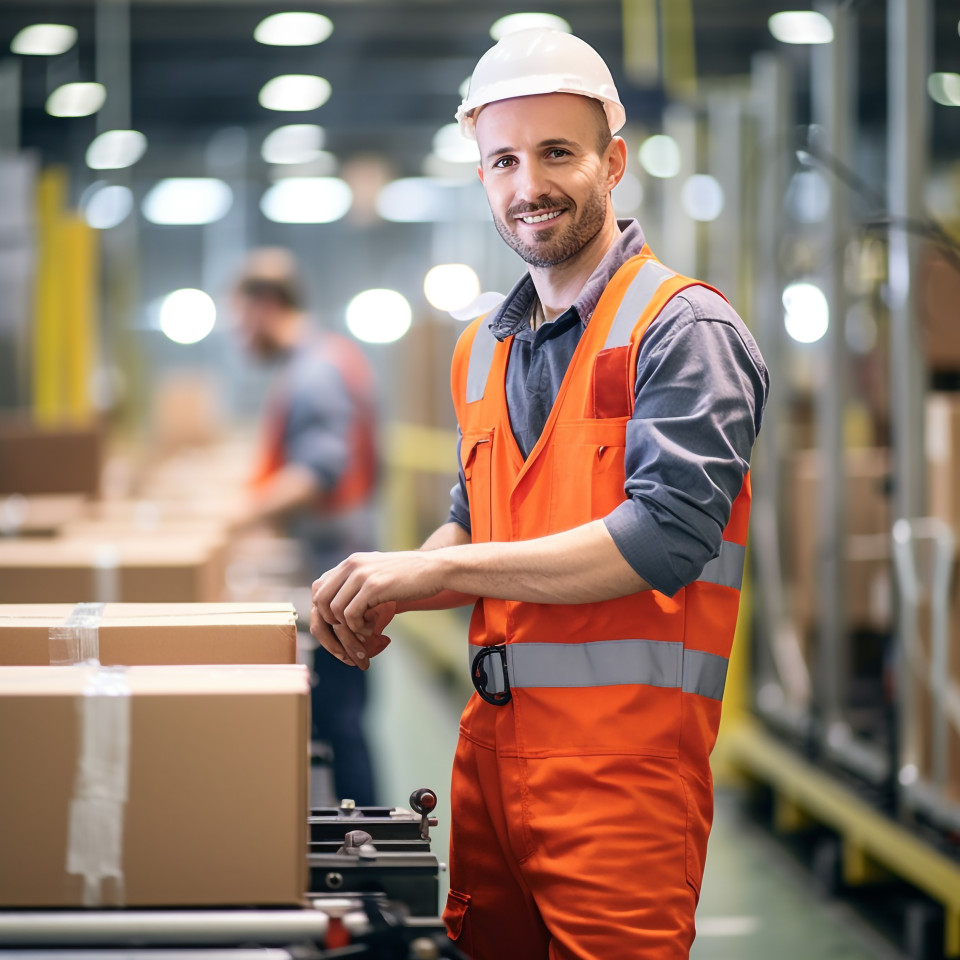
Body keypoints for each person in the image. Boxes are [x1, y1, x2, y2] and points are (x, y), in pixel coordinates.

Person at [310, 28, 769, 960]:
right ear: (480, 175)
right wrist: (381, 585)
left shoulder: (684, 329)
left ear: (613, 160)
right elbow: (476, 523)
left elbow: (665, 536)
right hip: (488, 765)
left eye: (558, 153)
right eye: (504, 161)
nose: (530, 186)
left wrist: (424, 572)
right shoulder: (484, 347)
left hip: (621, 779)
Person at [233, 247, 380, 806]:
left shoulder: (316, 370)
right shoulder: (316, 363)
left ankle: (363, 844)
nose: (238, 332)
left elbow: (319, 470)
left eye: (240, 316)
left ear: (266, 305)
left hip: (334, 572)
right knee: (342, 719)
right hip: (334, 564)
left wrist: (235, 519)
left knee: (339, 722)